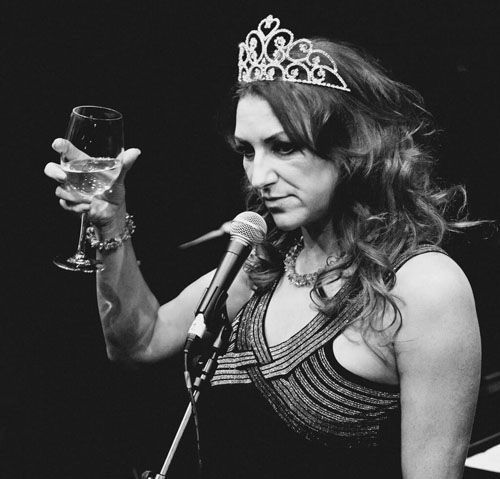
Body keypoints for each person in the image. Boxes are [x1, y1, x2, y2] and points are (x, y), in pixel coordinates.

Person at [44, 15, 481, 479]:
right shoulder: (267, 261)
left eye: (284, 147)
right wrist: (111, 221)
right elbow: (139, 341)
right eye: (248, 152)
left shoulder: (425, 288)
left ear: (355, 146)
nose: (258, 177)